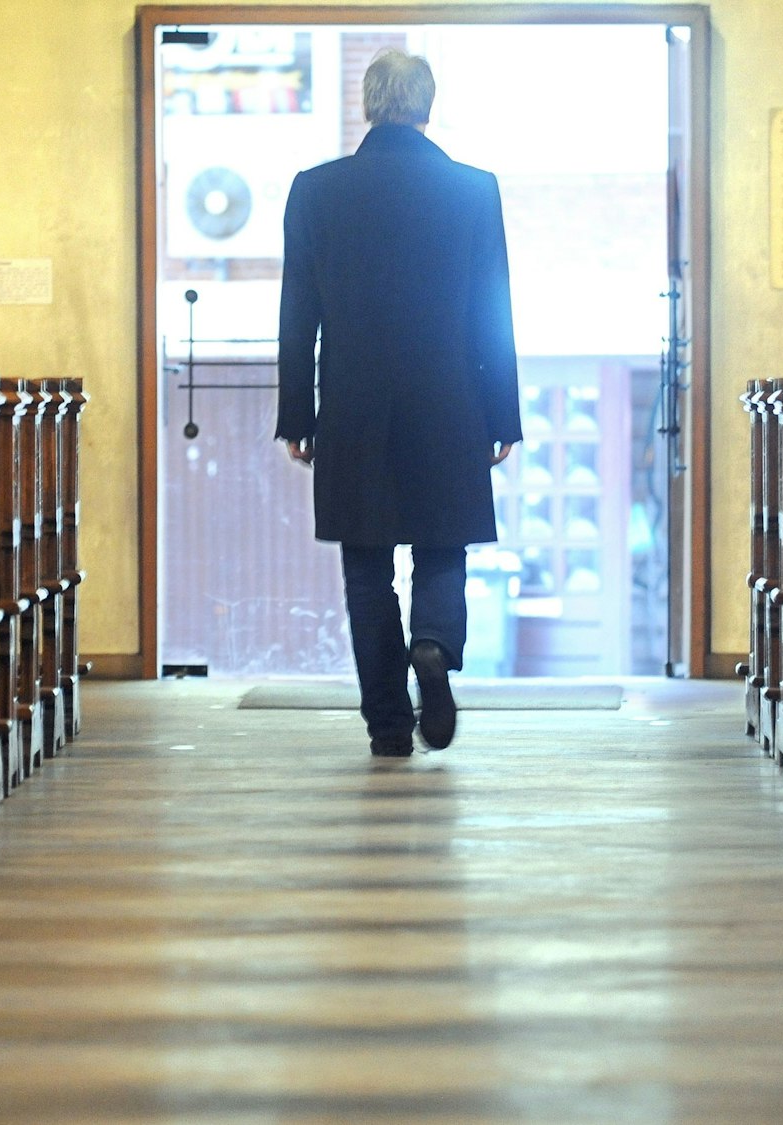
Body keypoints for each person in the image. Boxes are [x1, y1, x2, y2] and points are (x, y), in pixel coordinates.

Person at [275, 49, 521, 758]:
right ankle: (435, 645)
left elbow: (299, 314)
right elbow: (491, 310)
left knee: (366, 564)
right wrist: (503, 415)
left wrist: (298, 414)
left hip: (354, 402)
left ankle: (387, 723)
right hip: (452, 399)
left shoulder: (317, 191)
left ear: (367, 105)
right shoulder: (473, 189)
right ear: (428, 105)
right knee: (443, 544)